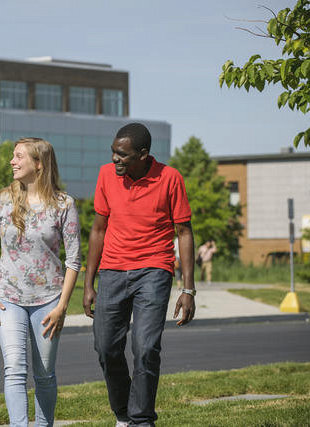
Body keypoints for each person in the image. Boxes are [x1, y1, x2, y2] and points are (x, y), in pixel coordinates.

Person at [82, 123, 196, 427]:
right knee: (105, 347)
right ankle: (123, 414)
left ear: (143, 154)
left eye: (123, 154)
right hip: (112, 270)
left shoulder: (170, 178)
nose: (116, 159)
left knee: (145, 347)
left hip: (154, 269)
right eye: (113, 153)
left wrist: (188, 289)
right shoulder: (107, 175)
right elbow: (98, 229)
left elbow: (184, 232)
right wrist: (88, 282)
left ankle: (141, 420)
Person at [0, 137, 81, 427]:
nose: (12, 161)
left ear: (39, 164)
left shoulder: (64, 204)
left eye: (19, 156)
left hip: (49, 301)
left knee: (45, 374)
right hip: (7, 297)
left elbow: (74, 259)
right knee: (14, 368)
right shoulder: (0, 200)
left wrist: (62, 306)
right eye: (13, 156)